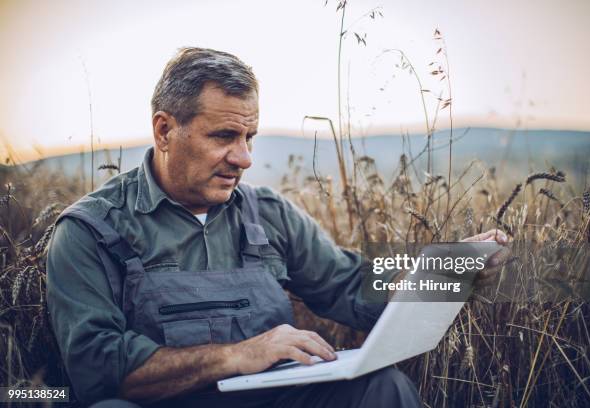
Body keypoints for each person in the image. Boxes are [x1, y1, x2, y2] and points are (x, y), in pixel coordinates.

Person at [46, 47, 507, 407]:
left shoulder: (267, 213)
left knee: (381, 389)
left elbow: (350, 286)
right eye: (224, 136)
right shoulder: (91, 231)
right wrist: (237, 355)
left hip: (275, 401)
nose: (244, 158)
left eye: (249, 137)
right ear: (165, 131)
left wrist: (441, 274)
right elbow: (97, 369)